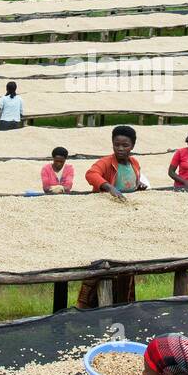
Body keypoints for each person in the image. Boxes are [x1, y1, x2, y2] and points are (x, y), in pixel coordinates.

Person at [76, 125, 149, 308]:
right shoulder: (106, 162)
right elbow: (91, 174)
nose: (120, 149)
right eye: (117, 145)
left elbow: (131, 184)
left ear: (132, 146)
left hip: (127, 218)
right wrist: (109, 187)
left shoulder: (134, 163)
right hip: (106, 217)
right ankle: (88, 306)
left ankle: (124, 303)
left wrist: (138, 188)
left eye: (125, 145)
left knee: (125, 263)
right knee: (103, 263)